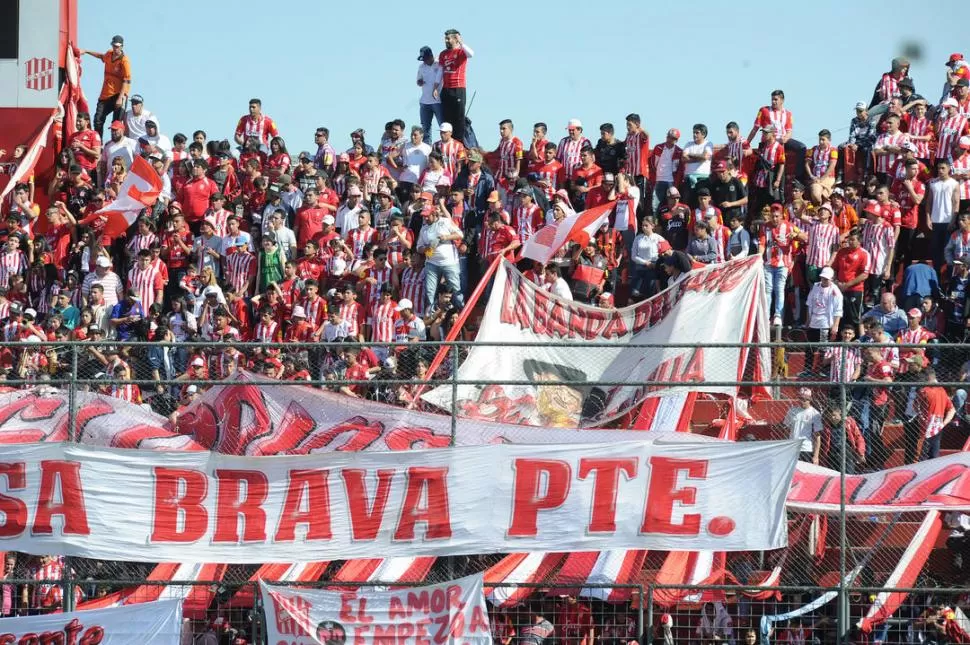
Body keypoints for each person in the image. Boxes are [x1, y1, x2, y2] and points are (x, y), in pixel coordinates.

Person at [79, 35, 132, 137]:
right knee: (98, 119)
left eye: (117, 46)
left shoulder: (124, 61)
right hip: (105, 94)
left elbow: (127, 80)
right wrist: (86, 51)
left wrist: (120, 98)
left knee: (116, 123)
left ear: (121, 47)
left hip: (118, 94)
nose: (115, 48)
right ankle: (98, 144)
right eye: (114, 46)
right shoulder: (109, 54)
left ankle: (115, 144)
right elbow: (101, 56)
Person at [803, 267, 843, 377]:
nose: (824, 281)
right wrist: (808, 320)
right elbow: (809, 304)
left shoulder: (835, 291)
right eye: (823, 278)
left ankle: (822, 370)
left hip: (825, 324)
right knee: (809, 347)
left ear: (831, 279)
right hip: (813, 322)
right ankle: (807, 369)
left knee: (824, 348)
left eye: (826, 279)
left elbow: (838, 310)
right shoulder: (815, 287)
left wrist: (835, 325)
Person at [438, 29, 474, 144]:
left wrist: (461, 42)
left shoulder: (461, 52)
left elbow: (471, 54)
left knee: (459, 117)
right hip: (446, 88)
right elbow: (440, 70)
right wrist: (436, 87)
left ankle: (460, 143)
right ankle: (448, 142)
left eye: (448, 38)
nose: (446, 41)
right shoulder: (443, 54)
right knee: (447, 117)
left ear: (455, 39)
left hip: (458, 88)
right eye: (445, 39)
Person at [917, 368, 957, 461]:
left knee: (921, 457)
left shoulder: (924, 391)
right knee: (934, 455)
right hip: (937, 425)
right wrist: (943, 424)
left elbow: (916, 407)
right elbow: (952, 410)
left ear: (928, 377)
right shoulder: (942, 390)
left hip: (926, 426)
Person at [783, 387, 823, 463]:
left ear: (810, 399)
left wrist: (816, 456)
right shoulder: (792, 411)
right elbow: (786, 429)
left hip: (806, 448)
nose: (802, 401)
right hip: (792, 447)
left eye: (805, 399)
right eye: (801, 398)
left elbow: (817, 436)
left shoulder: (815, 414)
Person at [416, 46, 444, 144]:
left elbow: (439, 78)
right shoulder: (421, 67)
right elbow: (418, 80)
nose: (424, 61)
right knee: (425, 127)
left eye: (426, 59)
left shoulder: (439, 64)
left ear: (431, 56)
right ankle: (427, 147)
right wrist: (419, 82)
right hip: (424, 101)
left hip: (437, 100)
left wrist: (435, 89)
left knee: (442, 125)